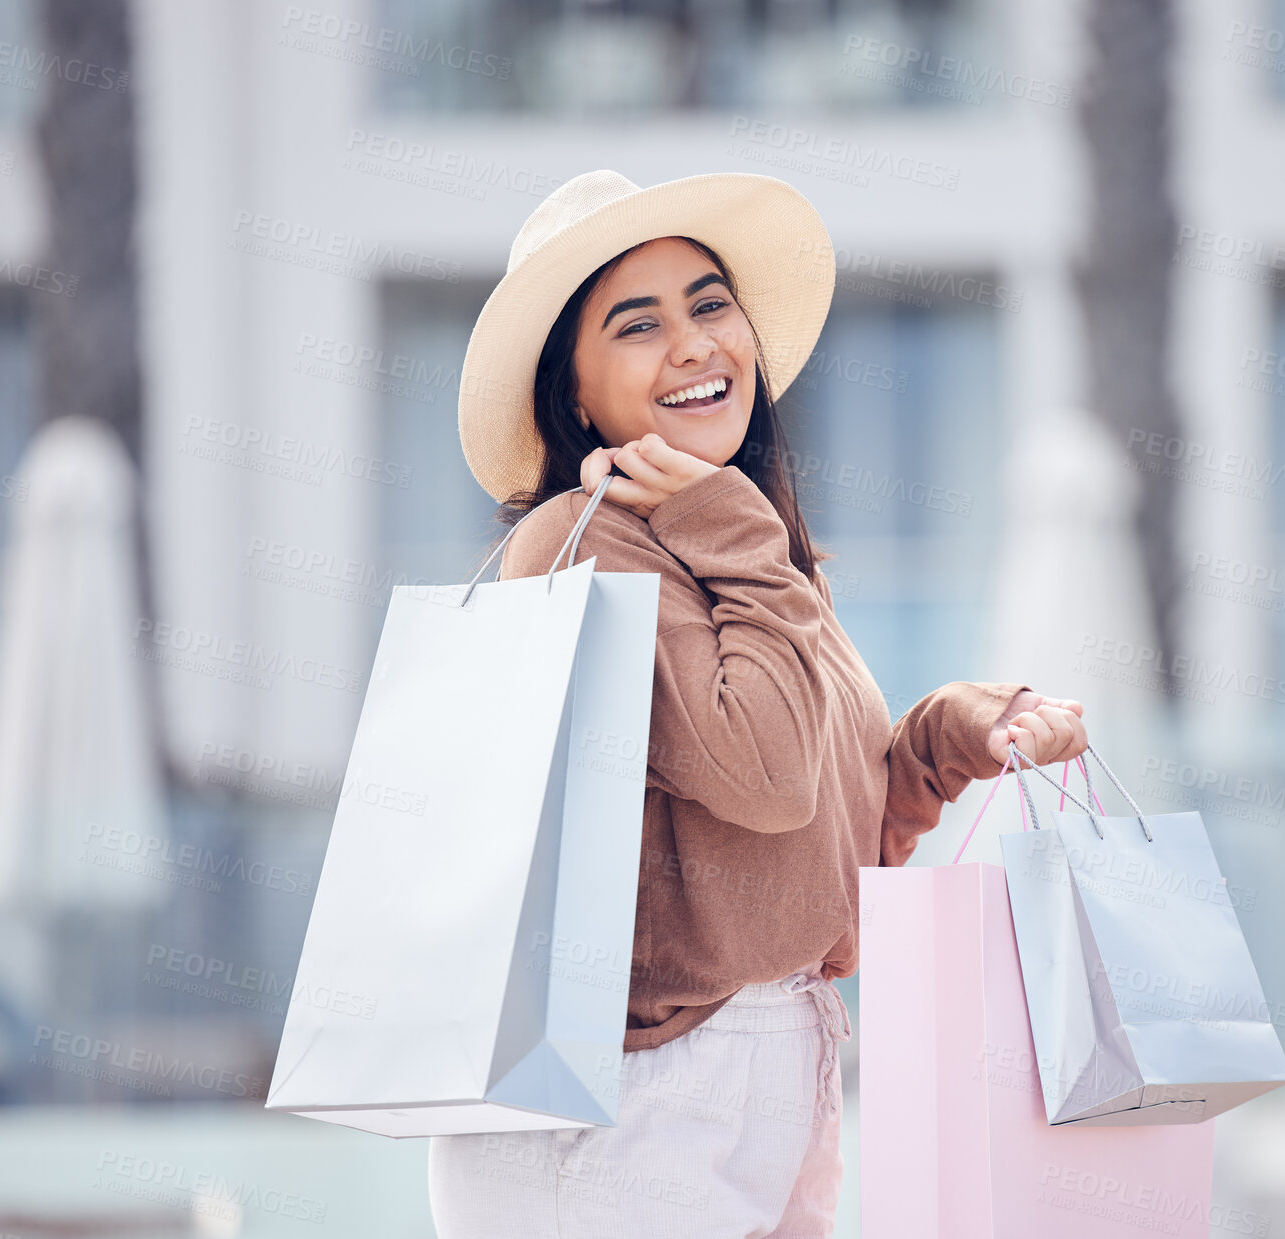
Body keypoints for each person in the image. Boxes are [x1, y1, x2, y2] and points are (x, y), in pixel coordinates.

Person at [429, 169, 1088, 1238]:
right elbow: (767, 776)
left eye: (711, 304)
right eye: (638, 325)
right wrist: (735, 527)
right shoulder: (584, 542)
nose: (694, 345)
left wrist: (948, 739)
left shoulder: (746, 559)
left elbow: (828, 834)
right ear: (577, 396)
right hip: (635, 1092)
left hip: (772, 1061)